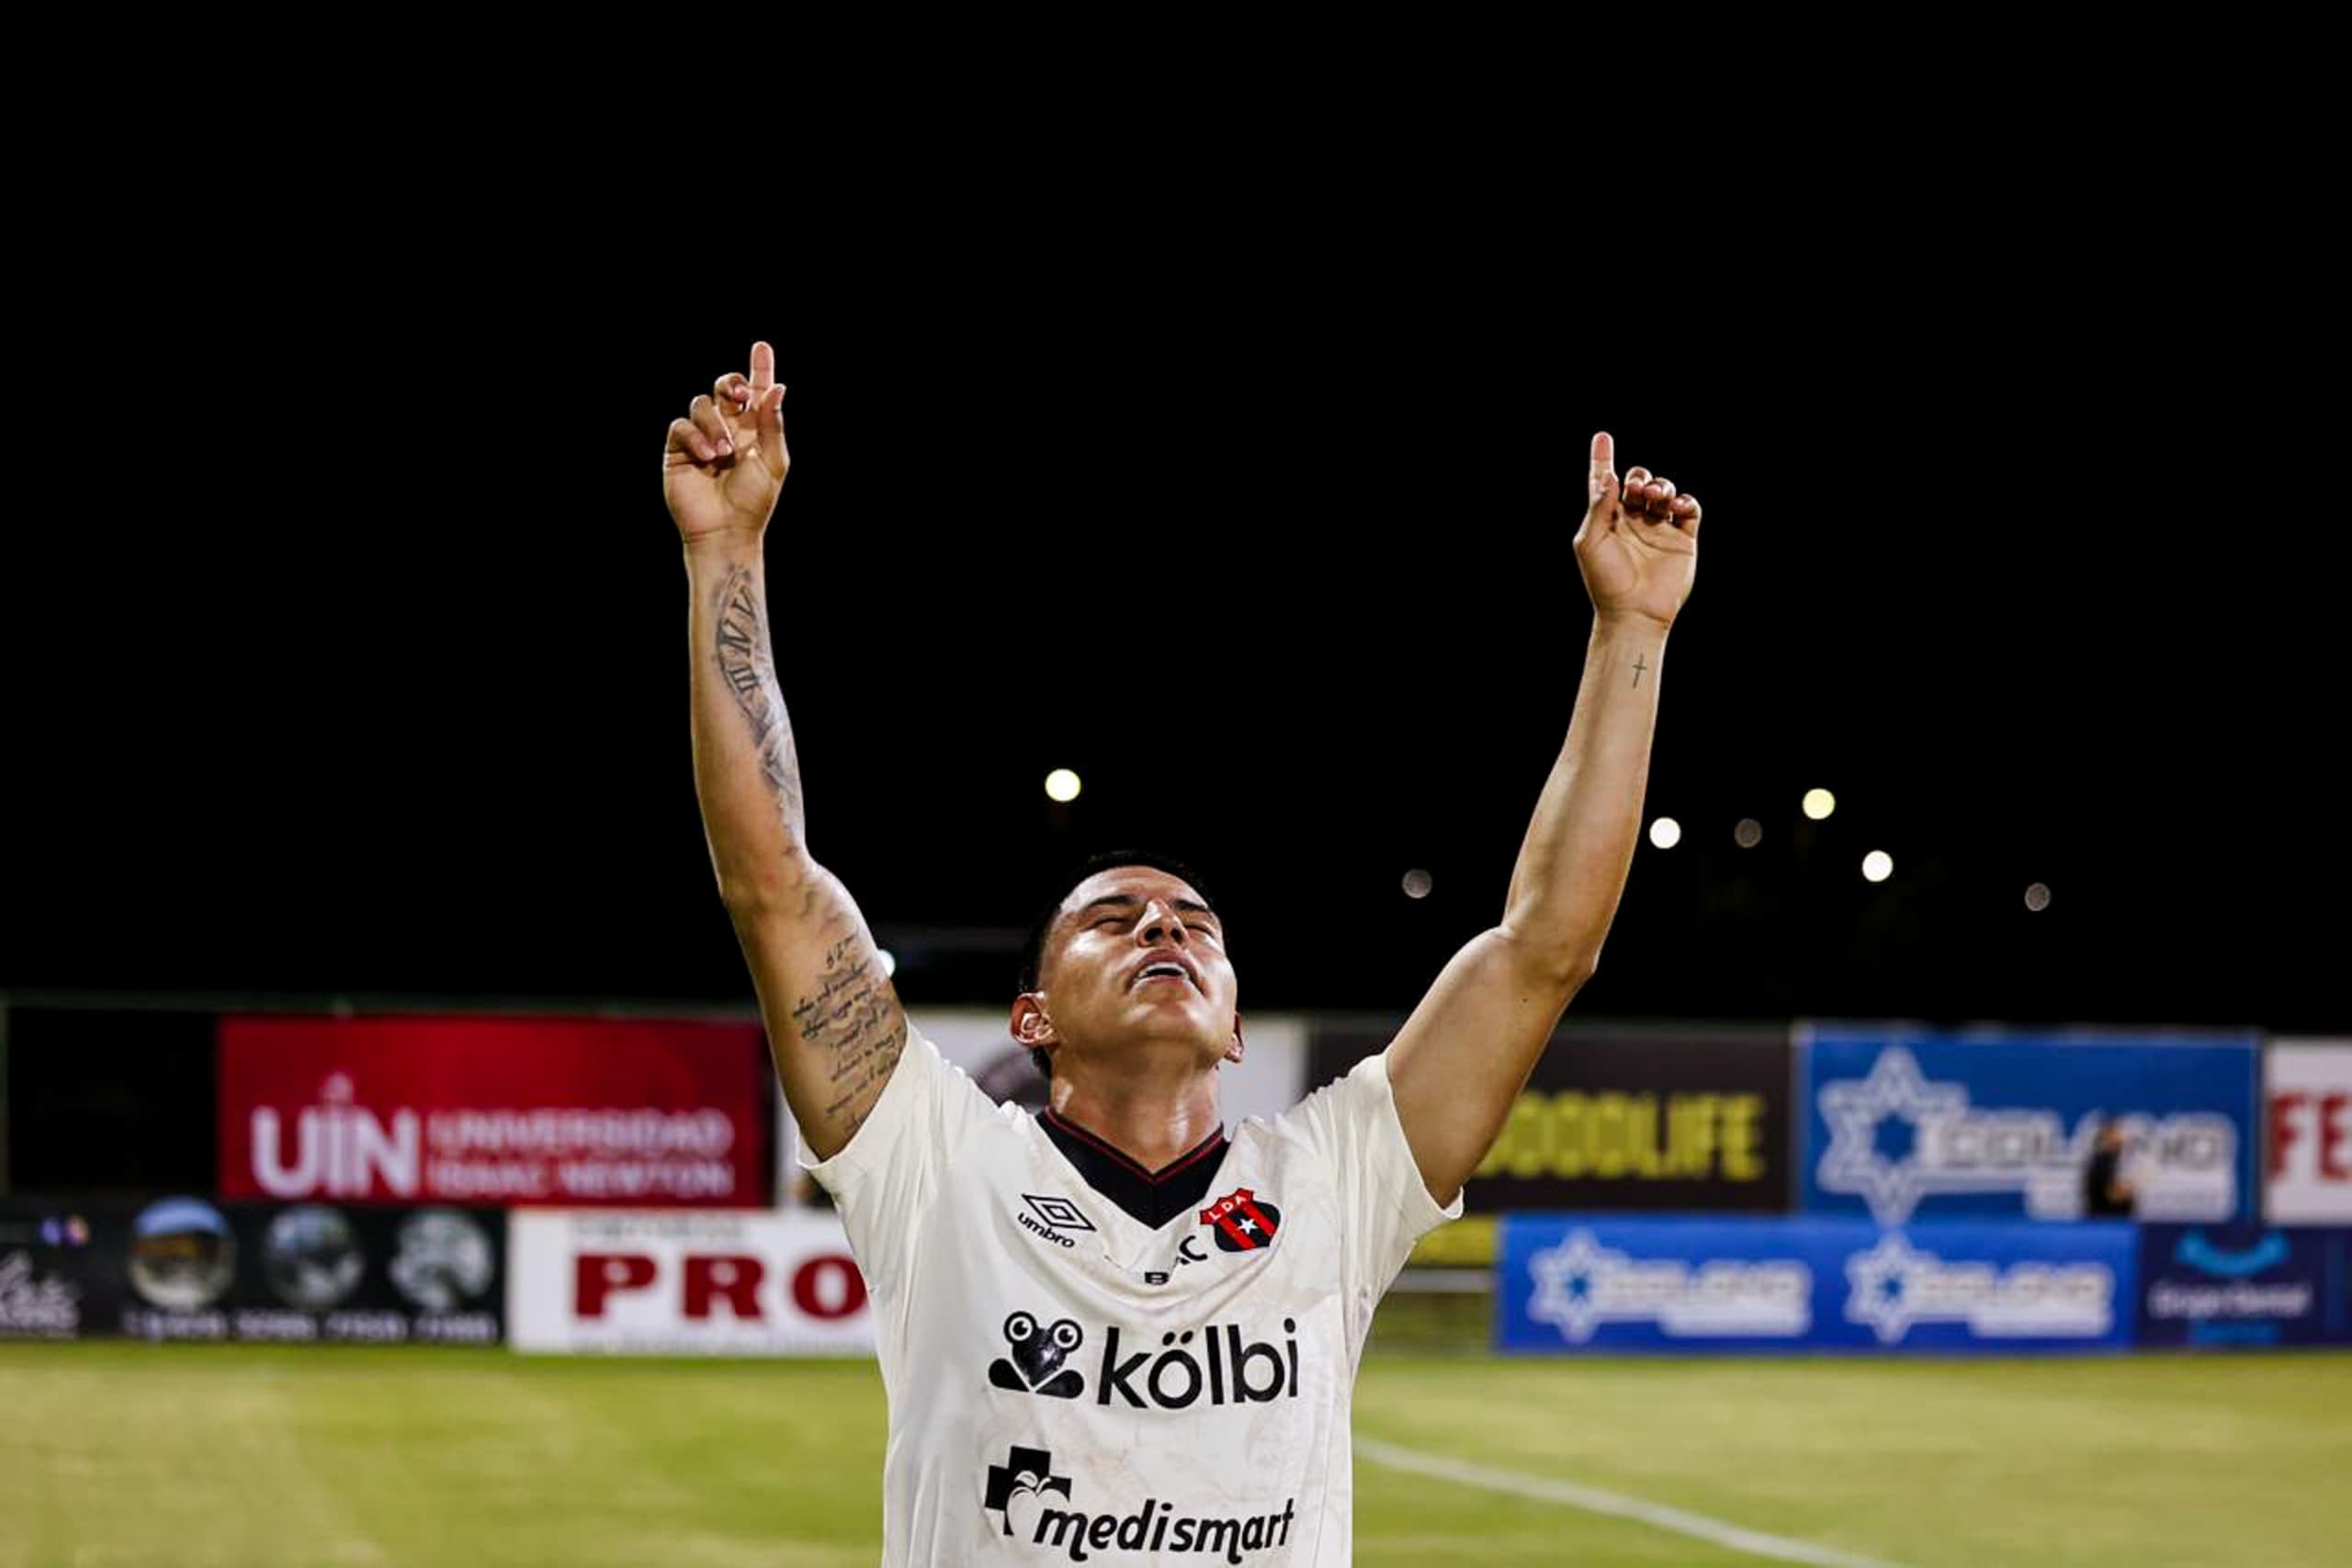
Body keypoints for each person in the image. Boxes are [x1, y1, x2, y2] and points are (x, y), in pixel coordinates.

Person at [662, 342, 1703, 1565]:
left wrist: (1631, 631)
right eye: (1115, 918)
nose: (1165, 927)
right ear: (1033, 1015)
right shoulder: (935, 1163)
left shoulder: (1335, 1177)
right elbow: (773, 885)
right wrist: (723, 553)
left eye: (1197, 926)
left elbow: (1543, 949)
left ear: (1236, 1023)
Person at [2083, 1118, 2136, 1218]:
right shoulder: (2101, 1162)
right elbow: (2111, 1194)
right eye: (2116, 1134)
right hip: (2104, 1222)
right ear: (2106, 1138)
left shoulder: (2116, 1159)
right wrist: (2130, 1191)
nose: (2121, 1138)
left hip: (2117, 1221)